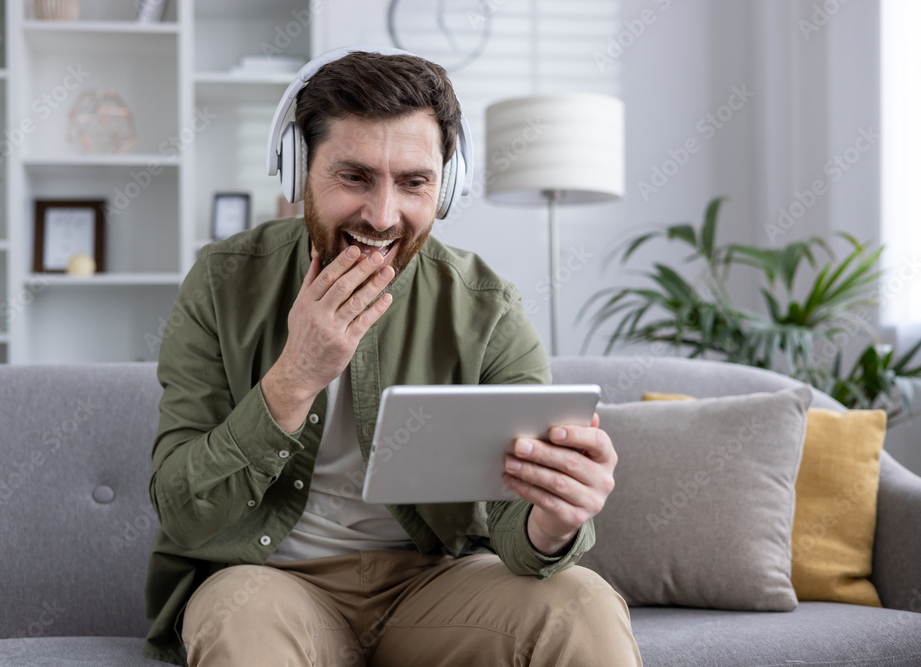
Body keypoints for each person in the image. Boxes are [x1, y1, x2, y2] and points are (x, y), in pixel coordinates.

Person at [143, 48, 641, 667]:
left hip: (436, 587)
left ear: (446, 185)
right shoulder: (222, 282)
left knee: (583, 605)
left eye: (413, 183)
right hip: (271, 581)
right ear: (298, 171)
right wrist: (296, 376)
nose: (382, 216)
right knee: (238, 622)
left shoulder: (487, 307)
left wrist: (555, 518)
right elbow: (183, 510)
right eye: (353, 177)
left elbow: (520, 532)